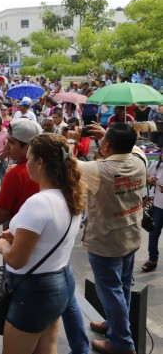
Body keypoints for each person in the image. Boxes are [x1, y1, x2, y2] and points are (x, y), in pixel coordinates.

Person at [0, 134, 85, 354]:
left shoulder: (38, 203)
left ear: (40, 162)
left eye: (29, 158)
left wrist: (1, 245)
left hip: (35, 291)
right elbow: (49, 236)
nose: (25, 164)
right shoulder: (71, 194)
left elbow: (16, 259)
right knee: (46, 348)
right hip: (61, 279)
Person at [79, 123, 145, 354]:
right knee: (123, 286)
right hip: (131, 234)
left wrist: (68, 141)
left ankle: (122, 343)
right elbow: (133, 145)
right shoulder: (139, 159)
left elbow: (66, 165)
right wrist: (108, 136)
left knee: (111, 291)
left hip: (106, 241)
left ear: (106, 144)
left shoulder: (97, 169)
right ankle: (115, 324)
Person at [0, 120, 42, 227]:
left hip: (17, 235)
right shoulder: (51, 167)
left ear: (28, 147)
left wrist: (4, 182)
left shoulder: (15, 174)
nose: (6, 147)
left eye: (11, 142)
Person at [143, 154, 163, 273]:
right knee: (153, 232)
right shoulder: (157, 165)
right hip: (158, 206)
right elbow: (150, 180)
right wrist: (150, 180)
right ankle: (152, 259)